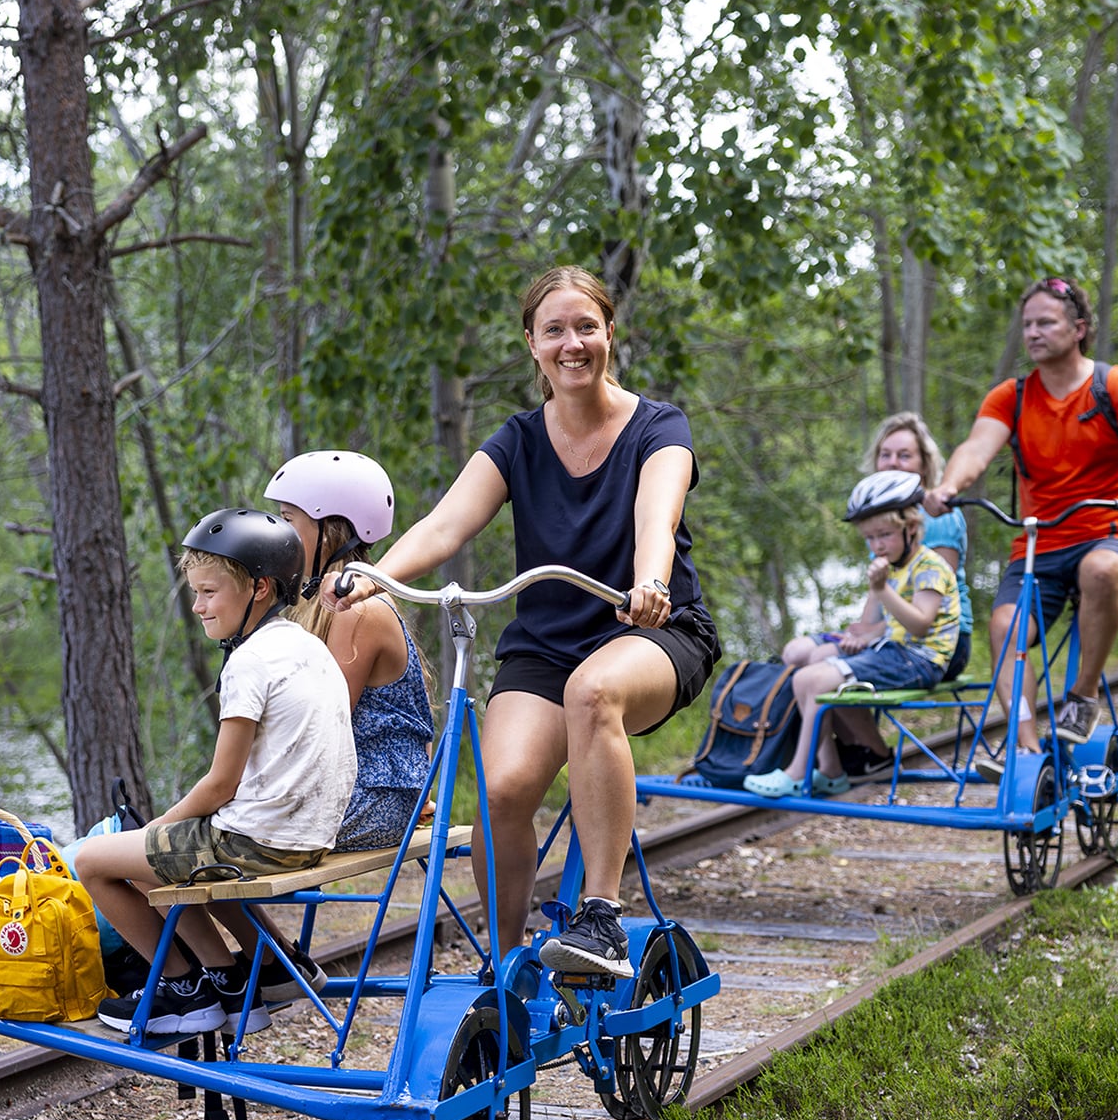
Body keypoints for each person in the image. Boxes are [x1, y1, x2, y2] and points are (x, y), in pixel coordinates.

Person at [322, 265, 720, 978]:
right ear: (532, 345)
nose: (573, 343)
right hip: (544, 645)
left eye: (586, 327)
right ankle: (507, 964)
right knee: (502, 789)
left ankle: (600, 918)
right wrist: (372, 574)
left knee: (593, 693)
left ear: (608, 334)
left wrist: (650, 581)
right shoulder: (516, 440)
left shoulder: (659, 426)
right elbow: (446, 524)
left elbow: (654, 515)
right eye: (555, 330)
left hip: (651, 630)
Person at [76, 509, 357, 1035]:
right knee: (183, 852)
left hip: (261, 843)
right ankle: (259, 969)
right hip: (310, 835)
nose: (197, 605)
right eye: (196, 592)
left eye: (209, 592)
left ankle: (185, 990)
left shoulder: (249, 662)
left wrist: (154, 830)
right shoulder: (306, 645)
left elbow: (220, 784)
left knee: (97, 860)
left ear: (258, 588)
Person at [925, 278, 1118, 757]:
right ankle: (1027, 749)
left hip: (1110, 531)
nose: (1032, 333)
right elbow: (975, 448)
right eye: (1027, 325)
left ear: (1078, 328)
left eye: (1045, 322)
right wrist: (949, 486)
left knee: (1099, 571)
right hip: (1040, 544)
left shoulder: (1115, 385)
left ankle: (1081, 696)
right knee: (1004, 628)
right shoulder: (1011, 398)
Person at [745, 473, 962, 798]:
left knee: (813, 681)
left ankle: (796, 772)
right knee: (809, 669)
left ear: (912, 528)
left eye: (885, 535)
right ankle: (830, 770)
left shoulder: (930, 567)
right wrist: (857, 637)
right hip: (893, 650)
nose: (877, 545)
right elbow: (870, 621)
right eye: (870, 537)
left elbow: (920, 625)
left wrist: (880, 588)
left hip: (921, 661)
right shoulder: (888, 564)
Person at [266, 450, 435, 853]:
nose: (280, 532)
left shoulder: (357, 609)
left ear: (332, 530)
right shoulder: (314, 602)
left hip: (375, 798)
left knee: (212, 840)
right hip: (349, 792)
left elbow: (323, 723)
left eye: (289, 519)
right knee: (193, 845)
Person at [831, 412, 973, 779]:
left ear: (925, 464)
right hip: (895, 633)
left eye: (904, 455)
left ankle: (866, 754)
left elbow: (931, 604)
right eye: (886, 454)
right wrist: (860, 630)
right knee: (807, 653)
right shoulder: (882, 518)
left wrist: (873, 634)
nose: (893, 462)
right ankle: (853, 753)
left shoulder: (934, 519)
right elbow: (879, 591)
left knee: (826, 672)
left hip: (940, 640)